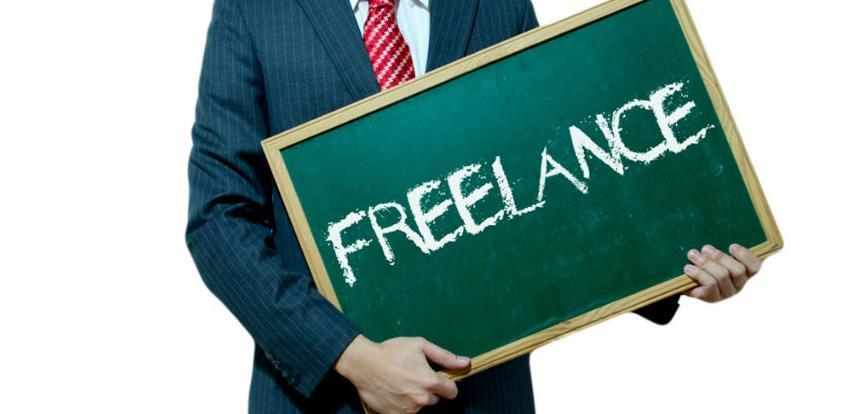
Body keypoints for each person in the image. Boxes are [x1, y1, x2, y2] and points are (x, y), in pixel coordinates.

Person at [186, 0, 765, 412]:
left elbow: (553, 185)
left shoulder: (495, 5)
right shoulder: (254, 10)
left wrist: (674, 266)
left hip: (484, 394)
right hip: (322, 397)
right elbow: (220, 218)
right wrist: (354, 357)